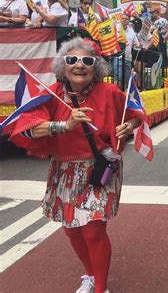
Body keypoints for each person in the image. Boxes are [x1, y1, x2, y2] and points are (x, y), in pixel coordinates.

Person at [9, 37, 142, 293]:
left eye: (87, 61)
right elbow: (26, 128)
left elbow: (136, 113)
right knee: (72, 230)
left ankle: (101, 288)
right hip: (64, 171)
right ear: (63, 66)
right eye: (72, 60)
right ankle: (90, 275)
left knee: (93, 230)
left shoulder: (110, 92)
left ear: (96, 67)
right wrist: (64, 125)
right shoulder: (51, 95)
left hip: (100, 168)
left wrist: (129, 126)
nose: (79, 65)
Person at [114, 13, 140, 86]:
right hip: (117, 57)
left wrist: (139, 45)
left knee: (127, 79)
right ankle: (117, 95)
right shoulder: (115, 28)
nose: (124, 20)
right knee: (117, 78)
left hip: (128, 59)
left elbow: (136, 43)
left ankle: (125, 95)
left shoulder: (132, 32)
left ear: (129, 21)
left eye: (126, 19)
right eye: (123, 18)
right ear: (120, 19)